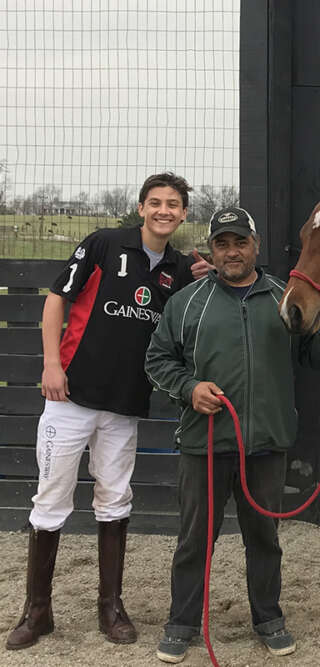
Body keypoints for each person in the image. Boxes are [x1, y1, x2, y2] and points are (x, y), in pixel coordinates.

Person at [6, 173, 212, 651]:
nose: (164, 211)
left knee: (114, 498)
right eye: (156, 202)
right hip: (70, 398)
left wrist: (211, 273)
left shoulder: (181, 269)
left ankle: (111, 608)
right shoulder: (103, 244)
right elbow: (57, 299)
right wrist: (52, 364)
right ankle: (37, 612)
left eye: (174, 205)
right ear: (141, 208)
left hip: (124, 407)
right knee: (51, 500)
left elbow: (194, 313)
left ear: (183, 214)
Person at [145, 206, 320, 663]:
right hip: (203, 444)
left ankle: (268, 619)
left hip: (266, 444)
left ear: (255, 246)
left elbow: (313, 356)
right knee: (194, 540)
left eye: (240, 242)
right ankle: (181, 624)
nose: (232, 251)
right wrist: (189, 388)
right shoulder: (187, 302)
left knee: (264, 537)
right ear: (213, 250)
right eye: (222, 243)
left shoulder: (285, 295)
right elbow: (157, 360)